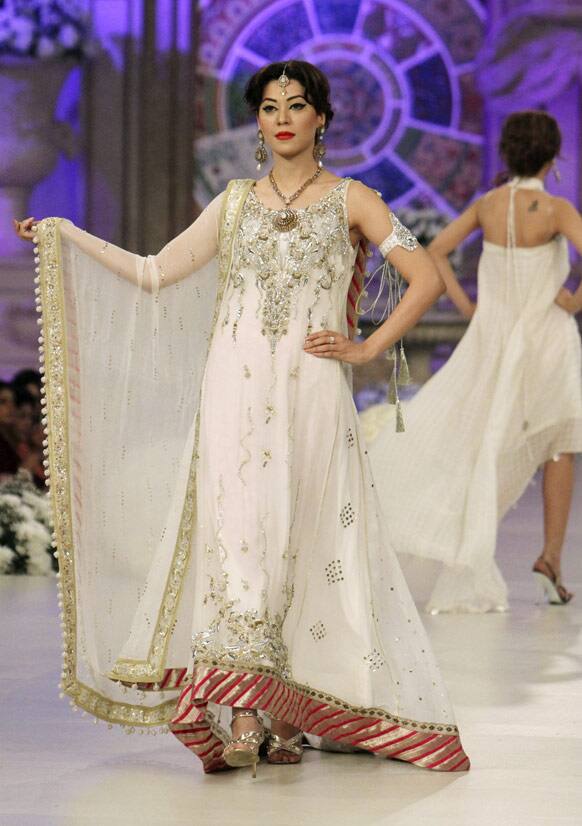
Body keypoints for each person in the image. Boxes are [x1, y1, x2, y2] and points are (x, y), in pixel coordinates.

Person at [14, 60, 469, 776]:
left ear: (321, 117)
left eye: (296, 104)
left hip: (314, 390)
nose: (281, 116)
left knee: (307, 532)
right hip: (233, 390)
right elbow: (156, 271)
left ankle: (290, 712)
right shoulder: (232, 203)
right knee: (239, 538)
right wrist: (67, 237)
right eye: (267, 106)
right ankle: (245, 711)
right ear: (257, 122)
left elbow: (426, 277)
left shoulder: (355, 199)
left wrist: (367, 346)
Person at [365, 110, 582, 614]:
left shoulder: (487, 205)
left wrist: (469, 308)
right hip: (547, 339)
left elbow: (436, 250)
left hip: (494, 339)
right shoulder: (553, 209)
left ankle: (459, 538)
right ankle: (550, 558)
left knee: (477, 440)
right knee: (558, 443)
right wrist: (574, 298)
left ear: (506, 154)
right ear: (554, 158)